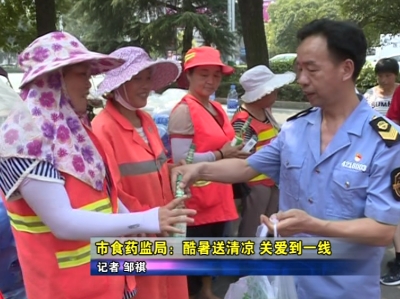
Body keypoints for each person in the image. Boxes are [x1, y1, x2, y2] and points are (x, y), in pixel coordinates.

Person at [170, 19, 400, 299]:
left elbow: (383, 230)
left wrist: (313, 225)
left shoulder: (385, 141)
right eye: (299, 69)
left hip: (343, 289)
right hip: (285, 286)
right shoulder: (295, 129)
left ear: (346, 69)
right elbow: (247, 166)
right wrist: (200, 169)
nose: (301, 79)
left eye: (311, 69)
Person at [0, 32, 195, 299]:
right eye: (82, 74)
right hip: (65, 289)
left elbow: (106, 194)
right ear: (54, 78)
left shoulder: (74, 129)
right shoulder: (25, 140)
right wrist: (145, 219)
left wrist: (142, 225)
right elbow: (62, 222)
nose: (90, 84)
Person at [92, 46, 189, 299]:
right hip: (138, 234)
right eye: (138, 78)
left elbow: (158, 165)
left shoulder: (146, 121)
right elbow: (112, 193)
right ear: (119, 84)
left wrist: (173, 172)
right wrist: (150, 219)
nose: (146, 85)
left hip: (166, 228)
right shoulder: (102, 129)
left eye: (148, 77)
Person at [168, 46, 249, 299]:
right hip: (197, 198)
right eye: (204, 74)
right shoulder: (184, 111)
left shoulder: (215, 108)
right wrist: (222, 155)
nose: (211, 81)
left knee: (212, 247)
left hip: (219, 192)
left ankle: (206, 289)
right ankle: (194, 292)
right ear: (188, 76)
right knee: (194, 252)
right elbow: (182, 160)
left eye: (216, 75)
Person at [231, 65, 295, 237]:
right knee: (252, 227)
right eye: (273, 90)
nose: (276, 93)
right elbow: (240, 154)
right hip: (255, 183)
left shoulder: (265, 112)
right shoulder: (242, 121)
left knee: (268, 228)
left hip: (271, 180)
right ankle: (246, 261)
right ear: (262, 94)